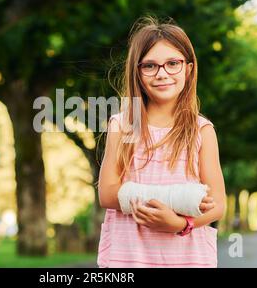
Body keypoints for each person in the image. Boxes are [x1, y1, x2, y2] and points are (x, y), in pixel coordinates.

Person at [97, 16, 226, 268]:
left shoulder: (202, 130)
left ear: (188, 69)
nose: (162, 73)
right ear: (137, 71)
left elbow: (218, 205)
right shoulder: (122, 125)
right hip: (128, 260)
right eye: (150, 66)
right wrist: (171, 199)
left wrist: (178, 224)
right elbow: (107, 193)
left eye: (172, 63)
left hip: (188, 260)